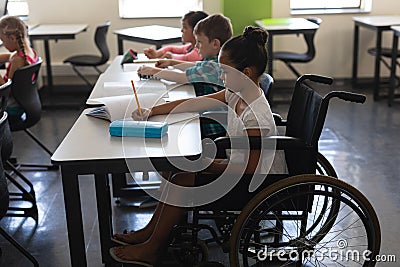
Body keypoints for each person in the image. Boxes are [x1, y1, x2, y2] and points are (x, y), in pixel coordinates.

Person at [110, 26, 287, 266]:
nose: (221, 78)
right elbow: (196, 103)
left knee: (183, 176)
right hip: (239, 168)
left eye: (224, 72)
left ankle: (152, 248)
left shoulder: (254, 115)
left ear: (245, 72)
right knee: (177, 170)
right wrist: (154, 111)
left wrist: (207, 164)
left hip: (259, 184)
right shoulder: (238, 91)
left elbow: (249, 169)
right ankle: (151, 232)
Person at [139, 14, 233, 139]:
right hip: (211, 121)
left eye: (199, 42)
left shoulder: (213, 67)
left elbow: (183, 77)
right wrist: (172, 63)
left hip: (213, 130)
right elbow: (195, 66)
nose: (196, 46)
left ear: (215, 44)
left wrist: (153, 71)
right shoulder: (214, 62)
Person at [0, 16, 39, 116]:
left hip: (11, 108)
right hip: (23, 104)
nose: (3, 45)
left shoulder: (18, 60)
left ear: (12, 38)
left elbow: (6, 90)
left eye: (2, 41)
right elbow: (9, 57)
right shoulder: (29, 53)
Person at [144, 11, 208, 62]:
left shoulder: (200, 51)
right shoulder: (190, 47)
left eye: (185, 27)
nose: (182, 30)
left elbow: (186, 58)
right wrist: (157, 54)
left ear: (196, 30)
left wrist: (171, 56)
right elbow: (170, 48)